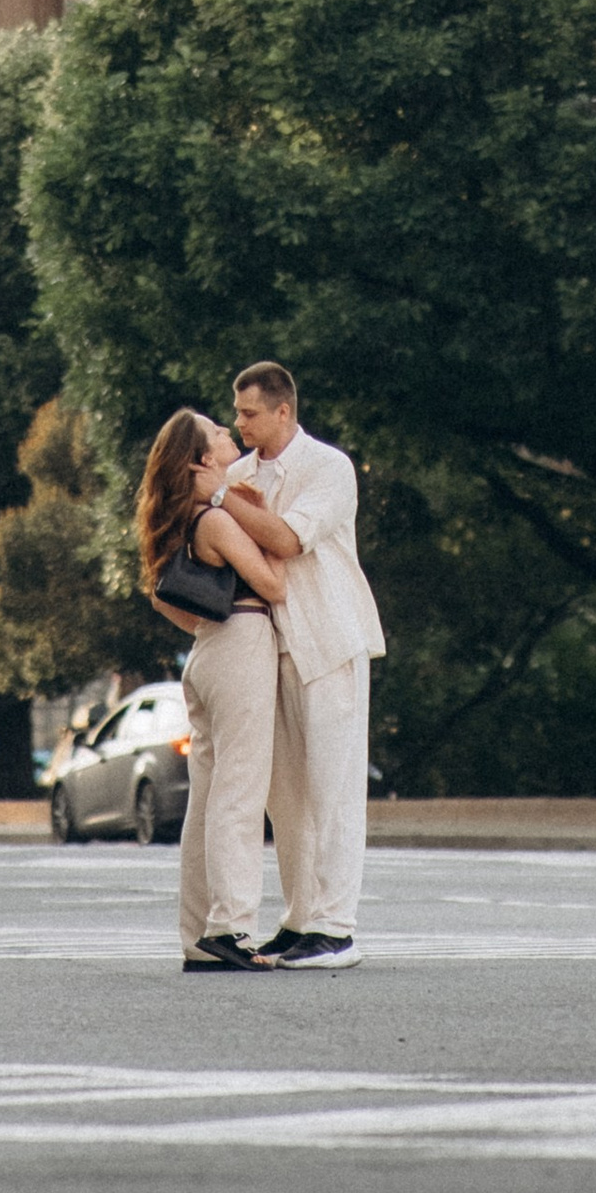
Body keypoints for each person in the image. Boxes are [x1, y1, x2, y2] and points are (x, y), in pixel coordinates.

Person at [209, 361, 384, 969]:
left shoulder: (329, 468)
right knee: (284, 797)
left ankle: (336, 928)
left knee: (333, 789)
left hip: (329, 641)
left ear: (284, 411)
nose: (240, 423)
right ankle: (300, 918)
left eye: (250, 413)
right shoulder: (235, 475)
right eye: (236, 412)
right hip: (264, 649)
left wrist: (221, 493)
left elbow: (286, 539)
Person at [138, 405, 286, 975]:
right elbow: (273, 584)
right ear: (203, 459)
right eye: (219, 435)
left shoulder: (183, 521)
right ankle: (231, 926)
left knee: (206, 801)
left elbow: (163, 599)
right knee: (240, 792)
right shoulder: (217, 518)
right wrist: (262, 519)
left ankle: (199, 936)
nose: (229, 436)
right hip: (243, 642)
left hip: (207, 650)